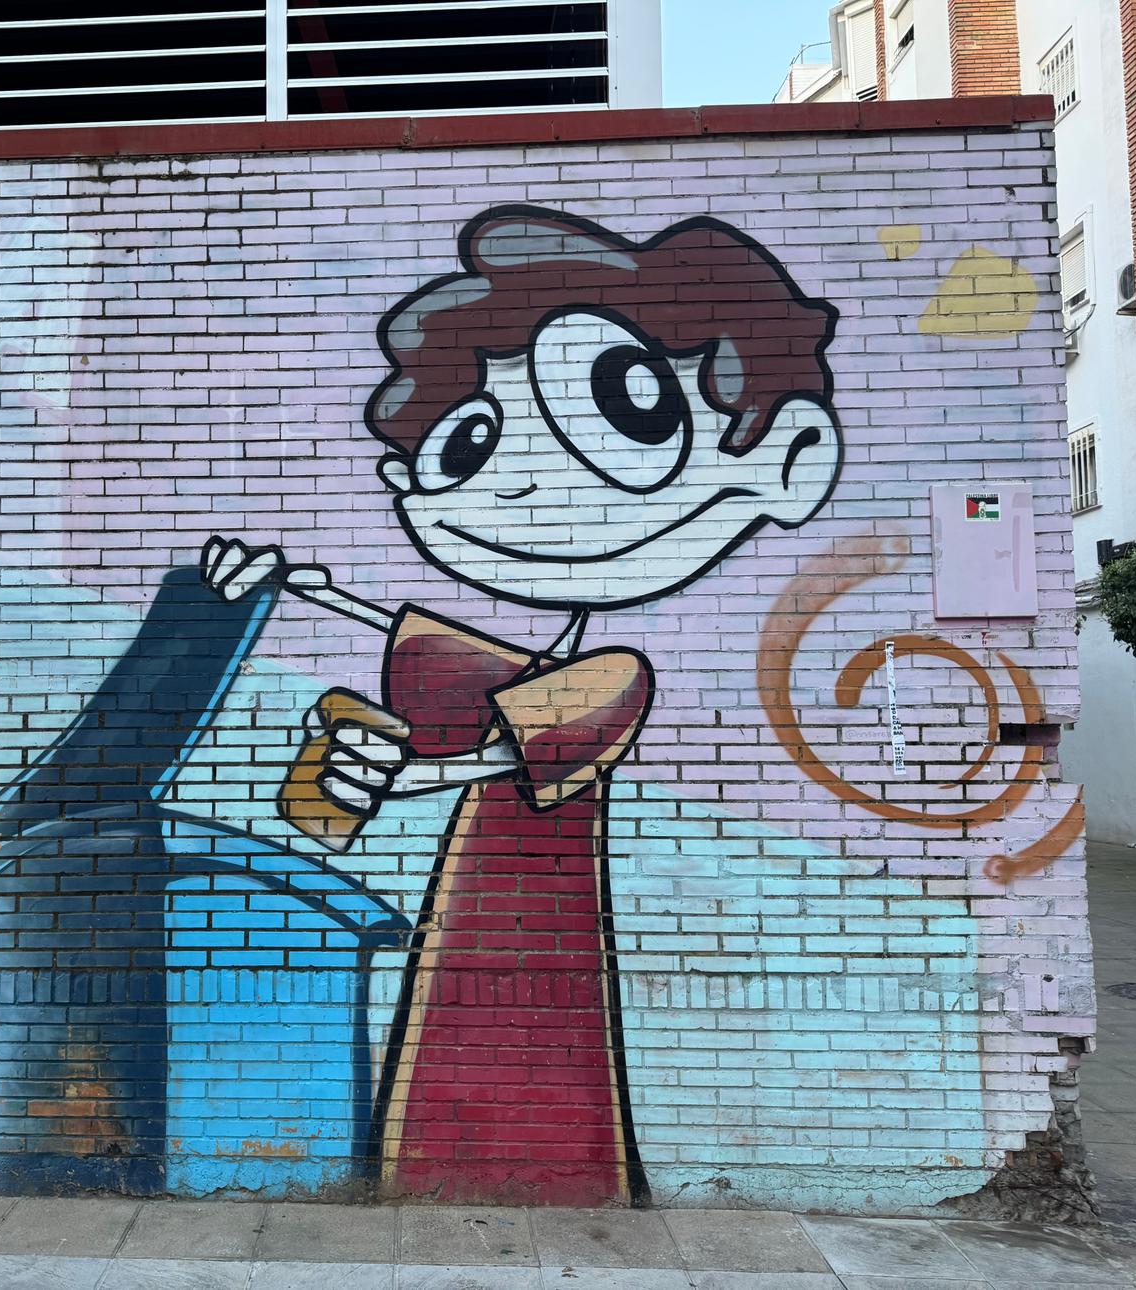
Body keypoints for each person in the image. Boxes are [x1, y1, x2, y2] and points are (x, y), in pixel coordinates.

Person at [203, 205, 842, 1206]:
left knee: (531, 1040)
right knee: (446, 1029)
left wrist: (406, 779)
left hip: (536, 910)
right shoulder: (544, 658)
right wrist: (297, 587)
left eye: (630, 407)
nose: (516, 486)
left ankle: (540, 1163)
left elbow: (507, 748)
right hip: (476, 900)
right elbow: (441, 654)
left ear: (788, 462)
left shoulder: (616, 672)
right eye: (468, 445)